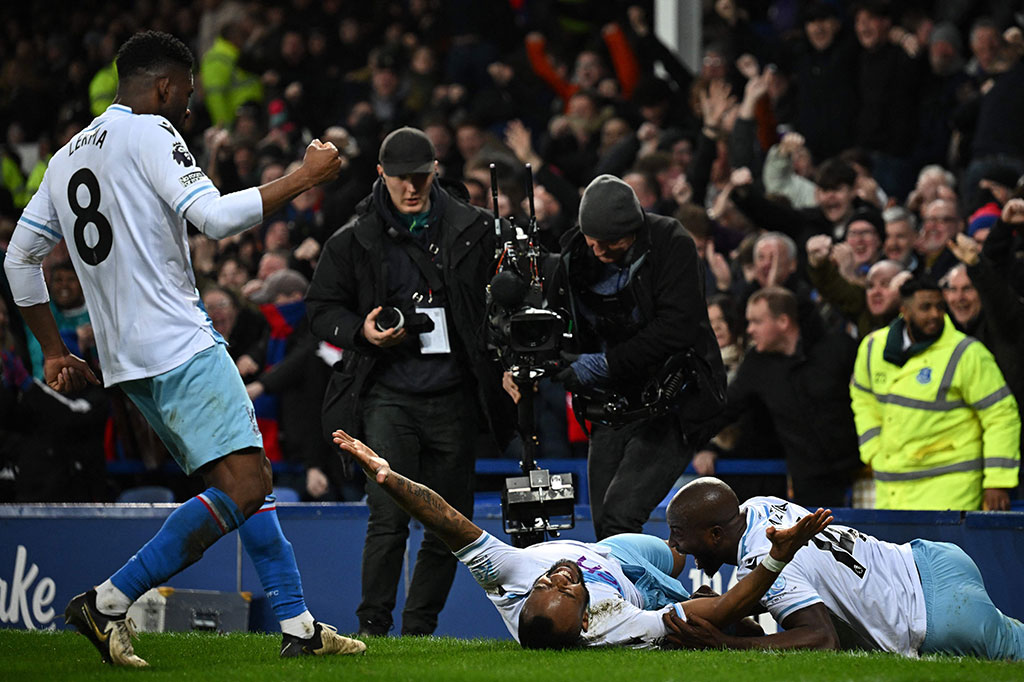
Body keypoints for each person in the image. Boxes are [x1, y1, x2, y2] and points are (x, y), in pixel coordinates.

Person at [3, 31, 363, 666]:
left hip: (124, 362)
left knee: (241, 480)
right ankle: (110, 601)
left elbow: (18, 258)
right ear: (163, 87)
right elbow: (217, 219)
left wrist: (52, 349)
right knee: (247, 482)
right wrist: (305, 176)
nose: (190, 111)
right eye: (188, 96)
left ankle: (299, 625)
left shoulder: (63, 159)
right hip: (178, 342)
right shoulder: (150, 132)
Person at [333, 428, 832, 649]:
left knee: (682, 549)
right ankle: (758, 590)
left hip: (610, 551)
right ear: (585, 619)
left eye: (547, 586)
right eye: (569, 593)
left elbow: (445, 519)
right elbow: (716, 618)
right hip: (634, 582)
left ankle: (704, 561)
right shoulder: (616, 625)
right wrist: (775, 560)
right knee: (721, 614)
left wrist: (389, 478)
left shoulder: (507, 578)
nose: (560, 580)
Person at [306, 126, 514, 636]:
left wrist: (505, 355)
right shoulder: (354, 237)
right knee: (388, 513)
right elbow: (320, 309)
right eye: (401, 179)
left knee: (450, 522)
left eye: (420, 177)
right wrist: (361, 332)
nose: (411, 188)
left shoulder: (475, 228)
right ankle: (373, 625)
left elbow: (506, 298)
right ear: (382, 175)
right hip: (387, 393)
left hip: (454, 392)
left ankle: (419, 629)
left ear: (435, 171)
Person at [512, 174, 725, 540]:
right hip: (608, 405)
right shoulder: (574, 254)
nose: (599, 252)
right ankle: (622, 597)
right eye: (593, 243)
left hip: (672, 402)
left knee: (621, 518)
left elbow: (677, 328)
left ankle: (645, 599)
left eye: (611, 244)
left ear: (635, 228)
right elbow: (552, 321)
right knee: (605, 530)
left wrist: (603, 364)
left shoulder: (671, 243)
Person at [662, 477, 1024, 659]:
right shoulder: (757, 507)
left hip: (932, 615)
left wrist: (725, 642)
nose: (673, 544)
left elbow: (822, 639)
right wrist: (728, 607)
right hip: (931, 559)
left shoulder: (763, 560)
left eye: (678, 534)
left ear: (714, 535)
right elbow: (807, 575)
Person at [850, 277, 1019, 510]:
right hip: (891, 487)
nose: (935, 314)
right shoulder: (872, 347)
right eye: (925, 307)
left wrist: (998, 482)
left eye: (940, 307)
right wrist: (872, 448)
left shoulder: (966, 353)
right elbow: (862, 398)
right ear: (904, 311)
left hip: (950, 488)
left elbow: (1001, 414)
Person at [696, 287, 861, 508]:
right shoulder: (757, 363)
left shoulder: (838, 348)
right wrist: (703, 445)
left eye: (756, 321)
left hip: (861, 473)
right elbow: (725, 409)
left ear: (783, 322)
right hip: (809, 483)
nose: (750, 329)